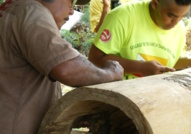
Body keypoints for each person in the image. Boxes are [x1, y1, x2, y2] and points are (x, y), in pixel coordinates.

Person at [0, 0, 124, 134]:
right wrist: (112, 73)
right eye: (70, 2)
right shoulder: (32, 11)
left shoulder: (12, 8)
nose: (71, 11)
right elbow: (67, 69)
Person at [88, 0, 191, 80]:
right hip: (117, 100)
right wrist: (140, 67)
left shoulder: (180, 29)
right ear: (155, 3)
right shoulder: (123, 16)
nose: (175, 23)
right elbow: (94, 59)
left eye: (182, 17)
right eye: (171, 15)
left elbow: (168, 63)